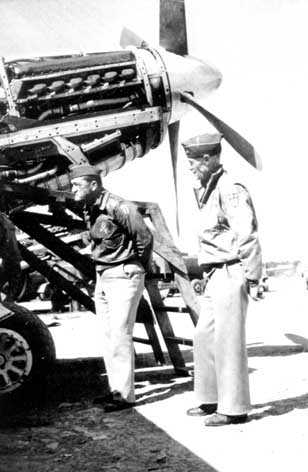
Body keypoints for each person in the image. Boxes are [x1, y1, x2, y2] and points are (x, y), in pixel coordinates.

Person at [182, 132, 262, 426]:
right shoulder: (208, 188)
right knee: (203, 336)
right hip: (214, 273)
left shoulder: (229, 189)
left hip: (231, 270)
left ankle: (234, 408)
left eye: (193, 162)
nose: (190, 167)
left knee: (228, 341)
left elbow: (246, 233)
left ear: (208, 158)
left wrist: (253, 277)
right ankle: (210, 399)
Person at [70, 164, 153, 412]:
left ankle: (125, 395)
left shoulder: (119, 206)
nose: (72, 188)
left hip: (123, 273)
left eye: (77, 185)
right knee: (109, 336)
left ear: (93, 185)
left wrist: (135, 265)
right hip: (103, 274)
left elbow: (144, 237)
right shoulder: (90, 208)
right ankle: (116, 390)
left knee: (120, 334)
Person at [0, 212, 22, 302]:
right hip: (13, 256)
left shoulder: (2, 220)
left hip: (6, 257)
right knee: (13, 285)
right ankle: (8, 304)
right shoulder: (5, 218)